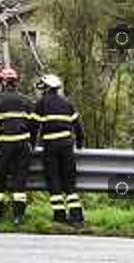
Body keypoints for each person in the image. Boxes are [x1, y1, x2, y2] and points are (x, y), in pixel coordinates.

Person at [0, 66, 36, 224]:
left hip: (5, 144)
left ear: (4, 82)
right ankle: (18, 216)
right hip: (23, 145)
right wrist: (32, 144)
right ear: (16, 82)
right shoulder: (27, 101)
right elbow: (33, 126)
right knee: (20, 179)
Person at [33, 74, 85, 226]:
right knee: (69, 180)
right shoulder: (67, 104)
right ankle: (77, 217)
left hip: (50, 146)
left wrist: (31, 144)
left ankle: (60, 216)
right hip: (67, 145)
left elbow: (34, 126)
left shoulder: (41, 103)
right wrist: (80, 144)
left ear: (47, 88)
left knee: (53, 179)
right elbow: (78, 127)